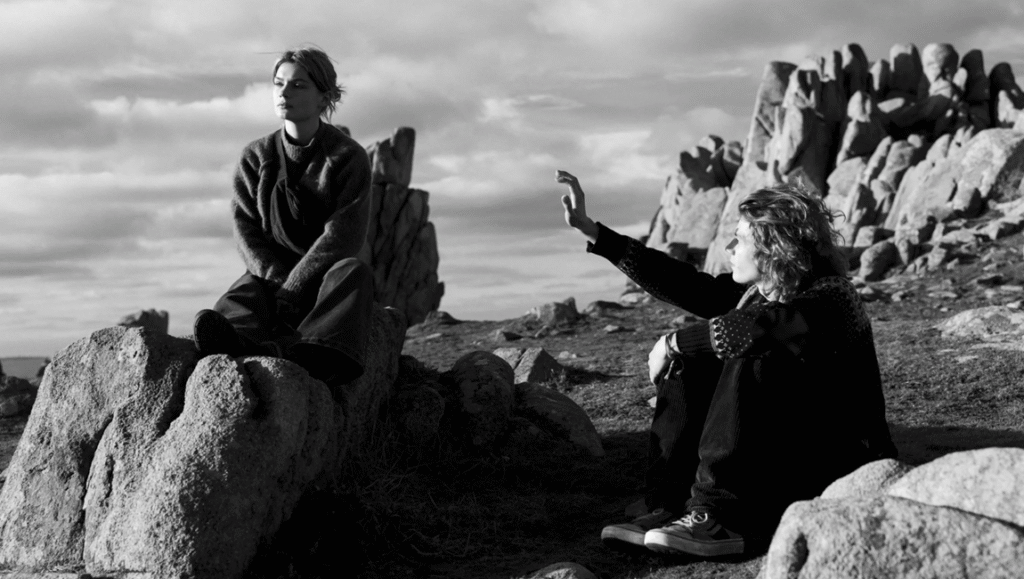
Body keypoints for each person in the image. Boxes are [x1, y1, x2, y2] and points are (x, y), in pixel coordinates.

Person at [555, 170, 896, 557]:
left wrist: (672, 341)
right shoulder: (759, 294)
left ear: (774, 248)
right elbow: (686, 284)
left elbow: (764, 328)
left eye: (741, 238)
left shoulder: (833, 297)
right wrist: (593, 232)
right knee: (688, 362)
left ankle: (720, 516)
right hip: (788, 455)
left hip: (840, 463)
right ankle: (670, 505)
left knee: (745, 347)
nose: (730, 246)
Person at [193, 46, 373, 400]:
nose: (284, 92)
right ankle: (239, 341)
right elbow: (245, 228)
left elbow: (343, 235)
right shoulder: (255, 156)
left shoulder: (347, 157)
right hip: (270, 277)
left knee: (354, 273)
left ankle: (308, 351)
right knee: (243, 291)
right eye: (278, 83)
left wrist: (296, 287)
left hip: (324, 280)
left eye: (298, 85)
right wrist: (278, 282)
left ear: (325, 97)